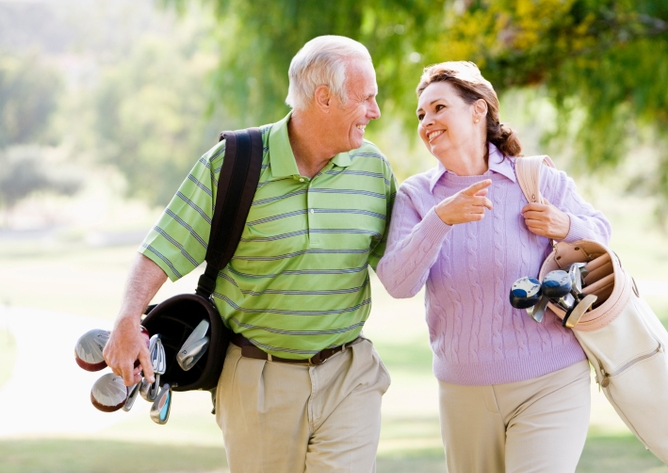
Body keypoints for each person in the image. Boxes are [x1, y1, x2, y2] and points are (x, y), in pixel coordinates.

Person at [103, 35, 395, 473]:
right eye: (366, 98)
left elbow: (404, 262)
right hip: (258, 378)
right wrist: (128, 319)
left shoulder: (372, 169)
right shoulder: (233, 163)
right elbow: (161, 250)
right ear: (324, 99)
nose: (375, 111)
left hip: (348, 374)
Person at [376, 61, 612, 473]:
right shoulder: (416, 195)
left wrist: (566, 224)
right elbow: (396, 283)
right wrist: (441, 219)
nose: (427, 121)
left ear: (478, 109)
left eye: (438, 108)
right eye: (421, 114)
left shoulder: (535, 178)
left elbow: (603, 236)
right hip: (463, 392)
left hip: (552, 380)